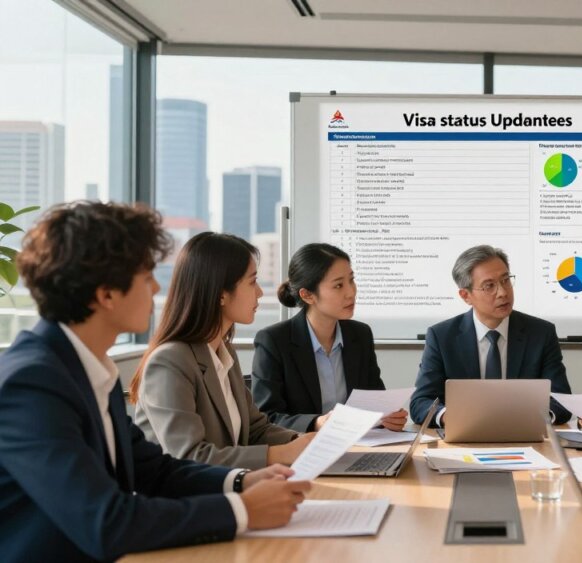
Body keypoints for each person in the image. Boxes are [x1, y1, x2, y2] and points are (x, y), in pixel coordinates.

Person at [0, 202, 309, 561]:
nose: (157, 286)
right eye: (146, 276)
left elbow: (155, 470)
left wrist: (241, 482)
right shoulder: (32, 385)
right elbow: (107, 522)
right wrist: (242, 510)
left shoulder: (90, 370)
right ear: (107, 294)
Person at [131, 233, 314, 469]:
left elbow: (255, 429)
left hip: (225, 491)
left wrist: (304, 442)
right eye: (252, 281)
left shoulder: (222, 351)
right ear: (221, 293)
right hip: (183, 501)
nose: (259, 292)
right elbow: (189, 457)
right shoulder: (170, 360)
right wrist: (280, 455)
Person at [409, 245, 572, 426]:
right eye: (489, 286)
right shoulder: (441, 337)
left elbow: (562, 400)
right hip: (464, 439)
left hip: (526, 436)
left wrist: (535, 418)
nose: (502, 292)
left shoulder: (541, 333)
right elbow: (420, 403)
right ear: (466, 295)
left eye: (505, 281)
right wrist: (451, 416)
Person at [251, 243, 407, 432]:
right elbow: (267, 417)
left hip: (358, 445)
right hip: (301, 450)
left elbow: (374, 402)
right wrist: (317, 422)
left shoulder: (360, 335)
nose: (351, 292)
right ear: (308, 295)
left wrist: (388, 417)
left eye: (352, 280)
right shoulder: (274, 341)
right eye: (338, 285)